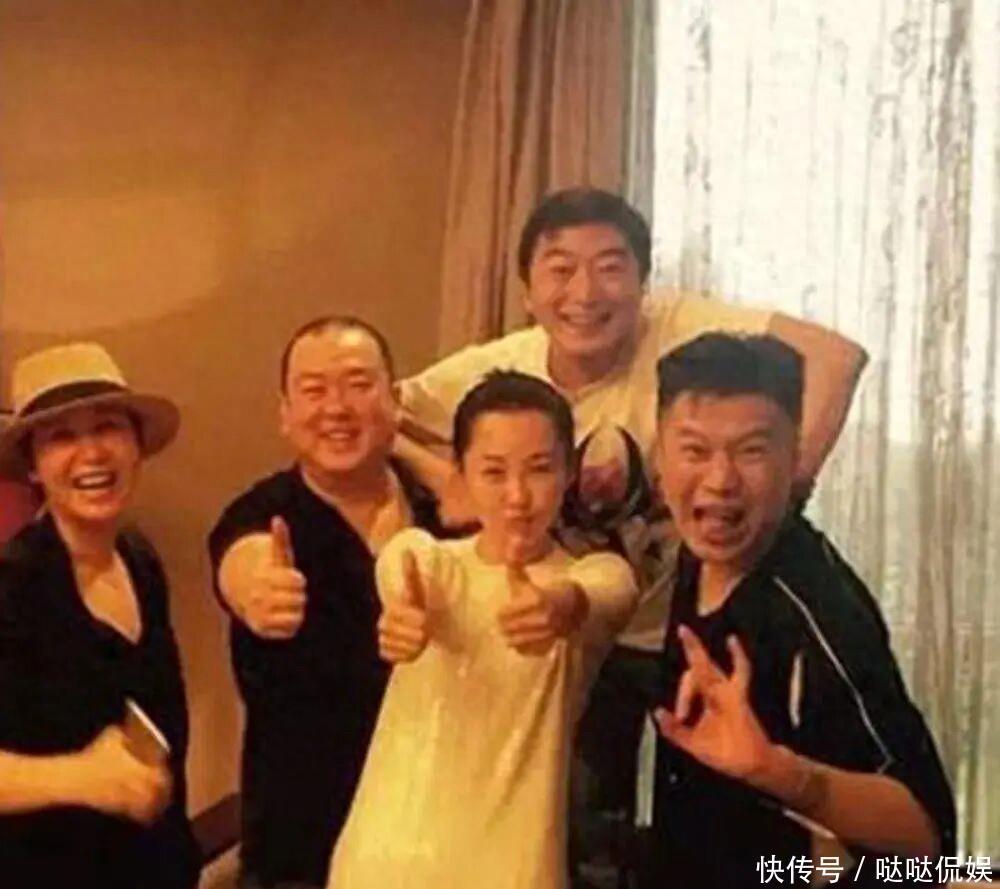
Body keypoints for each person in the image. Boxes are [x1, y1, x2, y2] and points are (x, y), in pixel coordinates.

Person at [396, 187, 869, 874]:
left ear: (644, 283)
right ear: (527, 290)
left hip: (691, 626)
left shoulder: (678, 326)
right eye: (560, 269)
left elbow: (837, 357)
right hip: (570, 632)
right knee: (577, 826)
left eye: (610, 266)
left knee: (729, 831)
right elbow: (374, 410)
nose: (585, 292)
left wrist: (783, 495)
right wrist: (445, 477)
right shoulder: (498, 365)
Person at [645, 333, 955, 888]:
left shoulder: (818, 612)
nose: (720, 480)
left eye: (751, 451)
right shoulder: (693, 550)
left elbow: (927, 841)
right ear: (660, 455)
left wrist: (782, 773)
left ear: (794, 459)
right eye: (694, 450)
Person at [328, 370, 638, 889]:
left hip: (512, 870)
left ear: (569, 473)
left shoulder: (592, 575)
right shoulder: (437, 565)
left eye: (539, 469)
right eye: (494, 472)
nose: (517, 495)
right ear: (461, 475)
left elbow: (608, 592)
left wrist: (560, 604)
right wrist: (402, 604)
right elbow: (406, 559)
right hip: (383, 862)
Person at [207, 316, 444, 889]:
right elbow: (242, 563)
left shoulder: (441, 512)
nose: (336, 408)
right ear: (285, 414)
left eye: (358, 384)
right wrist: (260, 593)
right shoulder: (261, 517)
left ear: (395, 400)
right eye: (313, 391)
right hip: (303, 852)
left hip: (432, 838)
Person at [0, 342, 199, 889]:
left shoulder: (139, 557)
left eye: (108, 427)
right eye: (62, 436)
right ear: (34, 467)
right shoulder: (12, 587)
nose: (91, 452)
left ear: (136, 446)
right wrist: (81, 777)